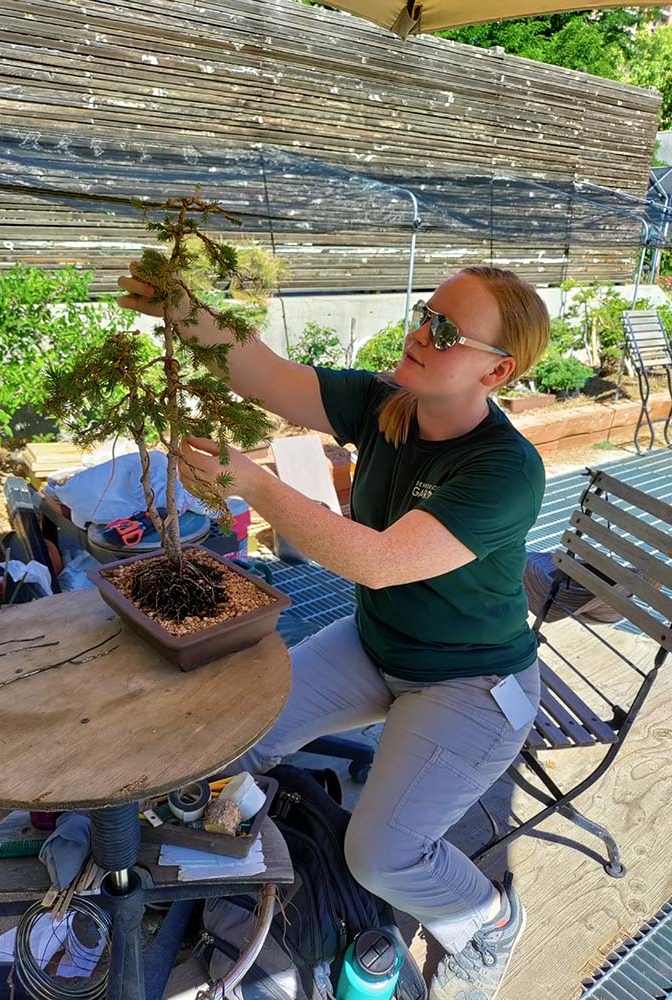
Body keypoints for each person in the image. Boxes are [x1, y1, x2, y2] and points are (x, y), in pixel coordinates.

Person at [118, 264, 550, 1000]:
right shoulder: (387, 403)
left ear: (497, 369)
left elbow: (375, 563)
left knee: (379, 857)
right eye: (424, 313)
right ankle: (233, 858)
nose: (420, 333)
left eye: (445, 331)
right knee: (225, 737)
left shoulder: (505, 468)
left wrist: (252, 483)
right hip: (378, 645)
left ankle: (488, 917)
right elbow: (264, 374)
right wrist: (182, 306)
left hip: (471, 682)